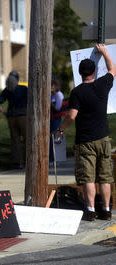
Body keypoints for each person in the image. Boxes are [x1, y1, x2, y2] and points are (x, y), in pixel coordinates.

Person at [55, 44, 115, 221]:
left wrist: (60, 130)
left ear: (80, 73)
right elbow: (112, 69)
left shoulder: (77, 92)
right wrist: (104, 52)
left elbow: (71, 116)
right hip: (103, 137)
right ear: (94, 72)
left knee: (88, 177)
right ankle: (105, 209)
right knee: (104, 176)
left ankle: (90, 210)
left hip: (85, 140)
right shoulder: (103, 84)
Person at [0, 71, 28, 169]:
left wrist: (4, 112)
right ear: (17, 79)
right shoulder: (24, 88)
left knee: (15, 141)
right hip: (23, 116)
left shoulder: (7, 90)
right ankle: (29, 161)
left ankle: (17, 163)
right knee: (27, 139)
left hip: (11, 117)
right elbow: (31, 100)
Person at [49, 79, 65, 162]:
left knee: (54, 137)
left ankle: (55, 158)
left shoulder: (58, 95)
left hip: (56, 119)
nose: (50, 87)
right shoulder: (52, 95)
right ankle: (51, 157)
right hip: (51, 119)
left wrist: (50, 104)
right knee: (51, 138)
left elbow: (58, 108)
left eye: (52, 85)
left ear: (55, 86)